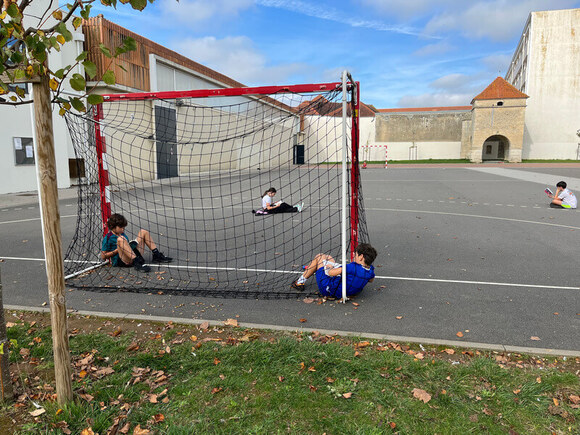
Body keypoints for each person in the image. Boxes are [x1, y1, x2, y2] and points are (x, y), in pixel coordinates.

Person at [291, 243, 377, 299]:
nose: (353, 255)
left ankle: (299, 282)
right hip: (349, 291)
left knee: (320, 256)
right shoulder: (370, 271)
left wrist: (329, 267)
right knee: (329, 257)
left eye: (355, 253)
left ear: (361, 257)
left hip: (328, 289)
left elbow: (329, 273)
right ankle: (313, 267)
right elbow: (371, 280)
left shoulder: (351, 267)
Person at [101, 213, 172, 272]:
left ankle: (156, 255)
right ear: (113, 227)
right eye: (121, 228)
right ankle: (137, 262)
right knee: (121, 239)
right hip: (121, 260)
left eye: (124, 228)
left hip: (131, 254)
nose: (123, 230)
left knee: (143, 232)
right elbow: (103, 256)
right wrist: (117, 250)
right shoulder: (108, 237)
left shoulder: (121, 233)